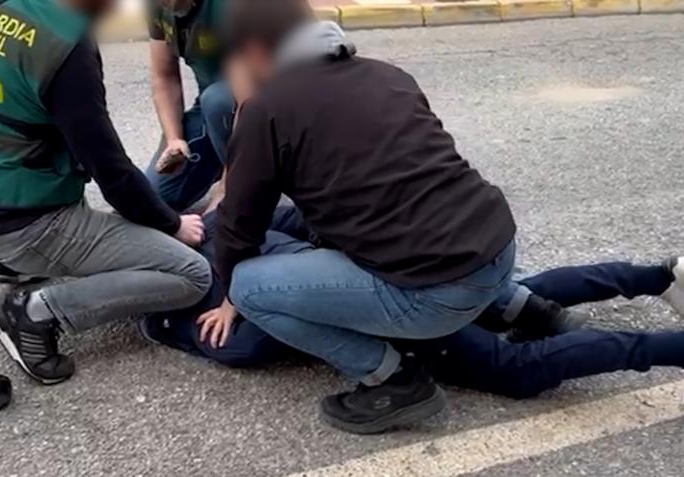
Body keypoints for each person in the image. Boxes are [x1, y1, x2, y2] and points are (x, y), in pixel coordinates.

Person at [211, 0, 519, 434]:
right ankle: (526, 307)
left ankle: (393, 380)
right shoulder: (388, 75)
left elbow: (239, 226)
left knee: (248, 286)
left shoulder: (268, 109)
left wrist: (230, 294)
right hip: (499, 250)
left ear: (255, 50)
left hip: (438, 294)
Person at [0, 0, 212, 385]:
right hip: (26, 229)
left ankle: (9, 261)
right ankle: (34, 313)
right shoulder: (65, 46)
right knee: (192, 274)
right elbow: (112, 173)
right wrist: (172, 224)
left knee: (39, 144)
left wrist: (0, 134)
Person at [141, 205, 684, 402]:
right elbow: (300, 219)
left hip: (384, 307)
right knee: (515, 296)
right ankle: (659, 276)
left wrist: (231, 299)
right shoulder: (216, 225)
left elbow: (252, 345)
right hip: (400, 271)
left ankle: (669, 341)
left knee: (515, 368)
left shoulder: (196, 278)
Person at [146, 0, 235, 211]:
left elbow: (251, 92)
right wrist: (174, 139)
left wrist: (227, 189)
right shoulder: (157, 5)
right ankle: (220, 158)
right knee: (154, 198)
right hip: (213, 111)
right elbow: (164, 77)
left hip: (264, 106)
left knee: (217, 100)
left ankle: (249, 176)